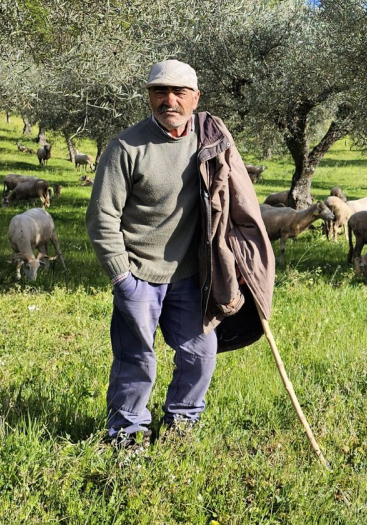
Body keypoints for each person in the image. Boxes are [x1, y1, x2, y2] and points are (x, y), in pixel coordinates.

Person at [86, 60, 275, 448]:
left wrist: (236, 259)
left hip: (189, 276)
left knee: (201, 353)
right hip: (138, 273)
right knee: (136, 358)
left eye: (179, 93)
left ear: (195, 98)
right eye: (159, 91)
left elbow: (232, 199)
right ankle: (127, 433)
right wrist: (121, 275)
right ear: (149, 96)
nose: (168, 100)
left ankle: (181, 424)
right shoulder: (126, 147)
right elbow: (102, 216)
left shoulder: (208, 141)